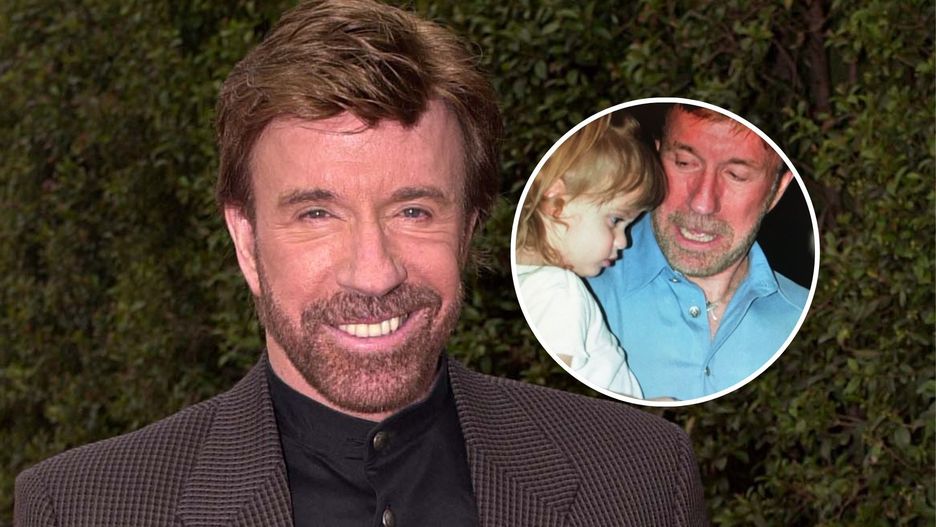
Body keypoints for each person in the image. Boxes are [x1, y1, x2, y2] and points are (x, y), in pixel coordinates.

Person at [14, 1, 707, 525]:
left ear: (468, 229)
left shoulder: (640, 480)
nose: (374, 274)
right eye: (317, 214)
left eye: (415, 211)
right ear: (246, 242)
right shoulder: (79, 507)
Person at [589, 104, 808, 401]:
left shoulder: (802, 316)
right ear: (655, 159)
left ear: (777, 190)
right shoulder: (571, 290)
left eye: (736, 175)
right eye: (684, 163)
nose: (702, 203)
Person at [514, 114, 663, 398]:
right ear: (557, 203)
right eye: (615, 220)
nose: (624, 241)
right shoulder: (557, 289)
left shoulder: (527, 282)